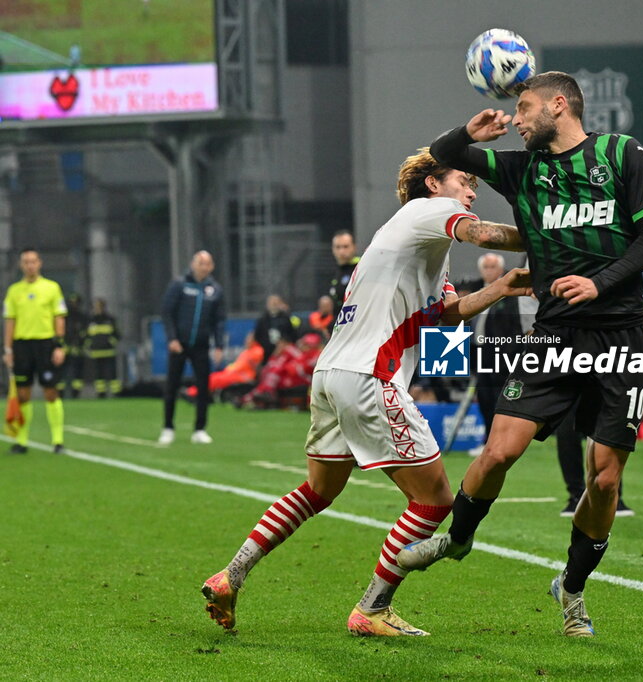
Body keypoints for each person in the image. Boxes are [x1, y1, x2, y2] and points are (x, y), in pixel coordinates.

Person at [201, 147, 530, 638]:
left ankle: (231, 575)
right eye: (465, 179)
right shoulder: (429, 210)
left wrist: (502, 287)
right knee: (436, 500)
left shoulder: (415, 240)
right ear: (433, 184)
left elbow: (446, 313)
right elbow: (483, 233)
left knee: (318, 491)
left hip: (332, 372)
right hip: (369, 377)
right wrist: (555, 237)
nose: (472, 188)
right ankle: (372, 608)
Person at [396, 71, 643, 638]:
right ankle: (459, 537)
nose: (515, 119)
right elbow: (444, 155)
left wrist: (602, 283)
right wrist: (470, 131)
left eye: (522, 108)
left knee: (605, 480)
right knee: (498, 453)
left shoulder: (623, 154)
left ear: (559, 104)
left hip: (619, 332)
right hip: (553, 333)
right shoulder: (523, 170)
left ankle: (571, 587)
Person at [471, 252, 538, 455]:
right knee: (483, 397)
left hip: (502, 355)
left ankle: (500, 444)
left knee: (500, 399)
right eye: (486, 267)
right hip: (480, 353)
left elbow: (515, 325)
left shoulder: (511, 291)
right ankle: (487, 441)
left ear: (500, 269)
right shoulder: (475, 290)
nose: (489, 271)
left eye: (493, 267)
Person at [3, 248, 67, 454]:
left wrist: (59, 345)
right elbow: (10, 321)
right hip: (22, 346)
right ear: (21, 265)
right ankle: (22, 441)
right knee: (23, 394)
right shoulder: (14, 291)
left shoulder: (52, 288)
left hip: (45, 344)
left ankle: (57, 440)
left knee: (50, 391)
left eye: (33, 261)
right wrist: (8, 349)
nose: (30, 265)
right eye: (26, 262)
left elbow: (59, 317)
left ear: (40, 263)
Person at [158, 250, 226, 445]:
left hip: (201, 345)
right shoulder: (180, 285)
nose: (204, 267)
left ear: (211, 267)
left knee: (204, 388)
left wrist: (219, 345)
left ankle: (199, 429)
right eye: (200, 263)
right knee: (172, 385)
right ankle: (168, 427)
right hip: (179, 344)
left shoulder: (215, 290)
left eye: (207, 263)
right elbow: (167, 312)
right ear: (193, 264)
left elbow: (219, 320)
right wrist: (172, 338)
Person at [84, 298, 120, 398]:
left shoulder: (110, 319)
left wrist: (111, 343)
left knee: (112, 373)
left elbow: (117, 335)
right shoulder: (91, 320)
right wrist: (89, 345)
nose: (97, 308)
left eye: (99, 306)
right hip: (96, 352)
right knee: (98, 374)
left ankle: (116, 393)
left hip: (109, 351)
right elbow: (87, 336)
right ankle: (101, 393)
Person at [253, 294, 300, 363]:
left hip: (284, 352)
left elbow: (292, 334)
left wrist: (284, 343)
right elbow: (258, 335)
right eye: (272, 303)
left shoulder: (285, 318)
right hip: (267, 352)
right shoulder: (262, 320)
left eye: (276, 302)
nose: (274, 304)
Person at [60, 293, 88, 399]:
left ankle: (76, 393)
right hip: (65, 349)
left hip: (78, 349)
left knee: (78, 372)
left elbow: (86, 333)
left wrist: (81, 343)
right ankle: (61, 392)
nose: (74, 305)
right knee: (61, 372)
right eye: (72, 303)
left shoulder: (82, 317)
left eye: (76, 303)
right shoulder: (64, 317)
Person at [327, 230, 359, 317]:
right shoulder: (335, 271)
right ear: (333, 249)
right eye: (338, 247)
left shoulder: (360, 268)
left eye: (345, 247)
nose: (341, 251)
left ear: (354, 247)